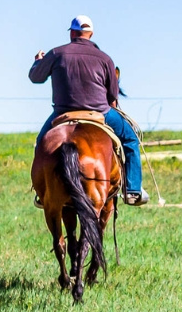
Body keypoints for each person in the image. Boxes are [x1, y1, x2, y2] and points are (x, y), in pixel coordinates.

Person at [30, 15, 148, 206]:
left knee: (42, 143)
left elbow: (35, 77)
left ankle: (42, 191)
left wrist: (38, 62)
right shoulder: (104, 58)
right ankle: (133, 190)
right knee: (130, 139)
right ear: (90, 34)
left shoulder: (56, 53)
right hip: (100, 112)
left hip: (62, 113)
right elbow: (112, 94)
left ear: (72, 33)